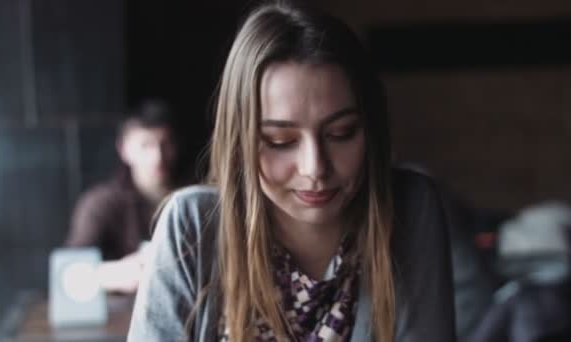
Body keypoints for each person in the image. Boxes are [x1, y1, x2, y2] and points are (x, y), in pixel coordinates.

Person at [128, 2, 455, 341]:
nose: (315, 168)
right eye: (279, 140)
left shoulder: (409, 208)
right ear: (239, 140)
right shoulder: (192, 224)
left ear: (371, 131)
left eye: (341, 133)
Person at [65, 99, 179, 293]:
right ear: (124, 150)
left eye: (164, 144)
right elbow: (68, 270)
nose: (157, 156)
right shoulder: (100, 202)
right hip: (121, 317)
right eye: (145, 145)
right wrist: (114, 274)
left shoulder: (191, 199)